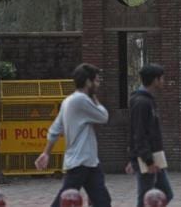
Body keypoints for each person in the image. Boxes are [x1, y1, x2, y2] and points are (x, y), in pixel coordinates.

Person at [35, 63, 111, 207]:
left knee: (103, 201)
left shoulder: (68, 101)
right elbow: (104, 116)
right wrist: (94, 96)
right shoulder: (81, 100)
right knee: (63, 201)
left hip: (89, 162)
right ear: (88, 82)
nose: (98, 84)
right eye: (96, 81)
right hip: (80, 162)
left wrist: (46, 153)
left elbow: (54, 130)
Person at [125, 64, 173, 206]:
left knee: (164, 194)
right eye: (162, 78)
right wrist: (148, 160)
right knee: (146, 198)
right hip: (148, 157)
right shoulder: (142, 102)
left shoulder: (148, 100)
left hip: (154, 155)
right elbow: (139, 133)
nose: (163, 81)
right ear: (155, 80)